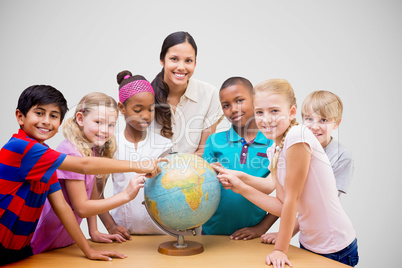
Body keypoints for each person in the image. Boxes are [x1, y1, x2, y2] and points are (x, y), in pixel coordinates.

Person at [0, 85, 165, 265]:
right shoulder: (22, 148)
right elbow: (85, 167)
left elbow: (62, 206)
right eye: (39, 113)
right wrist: (136, 171)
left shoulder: (46, 157)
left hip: (20, 248)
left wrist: (89, 248)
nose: (46, 121)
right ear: (20, 117)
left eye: (54, 116)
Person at [212, 79, 358, 267]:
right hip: (309, 243)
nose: (266, 119)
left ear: (291, 113)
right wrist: (239, 180)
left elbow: (292, 199)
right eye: (259, 112)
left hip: (335, 248)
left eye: (274, 111)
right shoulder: (275, 149)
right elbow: (281, 205)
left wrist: (280, 249)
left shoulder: (298, 136)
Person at [31, 92, 147, 254]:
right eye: (98, 122)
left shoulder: (92, 149)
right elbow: (82, 208)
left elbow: (91, 190)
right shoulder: (70, 151)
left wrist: (94, 230)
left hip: (66, 240)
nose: (104, 130)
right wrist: (126, 195)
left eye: (111, 125)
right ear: (80, 119)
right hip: (44, 240)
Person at [260, 90, 355, 244]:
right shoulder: (292, 146)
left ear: (337, 123)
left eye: (323, 120)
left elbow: (317, 207)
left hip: (333, 243)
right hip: (308, 240)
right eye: (309, 119)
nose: (314, 126)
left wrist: (284, 235)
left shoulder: (341, 156)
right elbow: (283, 194)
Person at [99, 71, 173, 237]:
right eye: (138, 110)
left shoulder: (164, 145)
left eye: (151, 109)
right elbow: (96, 192)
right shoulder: (110, 146)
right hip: (126, 235)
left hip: (163, 234)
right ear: (121, 108)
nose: (146, 116)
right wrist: (110, 226)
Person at [202, 77, 276, 239]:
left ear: (255, 100)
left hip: (252, 236)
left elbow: (286, 197)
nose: (233, 109)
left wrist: (261, 228)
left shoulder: (273, 142)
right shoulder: (214, 141)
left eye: (239, 101)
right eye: (226, 105)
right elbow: (203, 186)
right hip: (211, 234)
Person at [151, 31, 223, 155]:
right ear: (162, 60)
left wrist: (179, 171)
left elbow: (204, 151)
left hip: (193, 171)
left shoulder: (210, 95)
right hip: (150, 172)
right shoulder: (144, 95)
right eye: (174, 59)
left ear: (195, 63)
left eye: (188, 61)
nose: (181, 67)